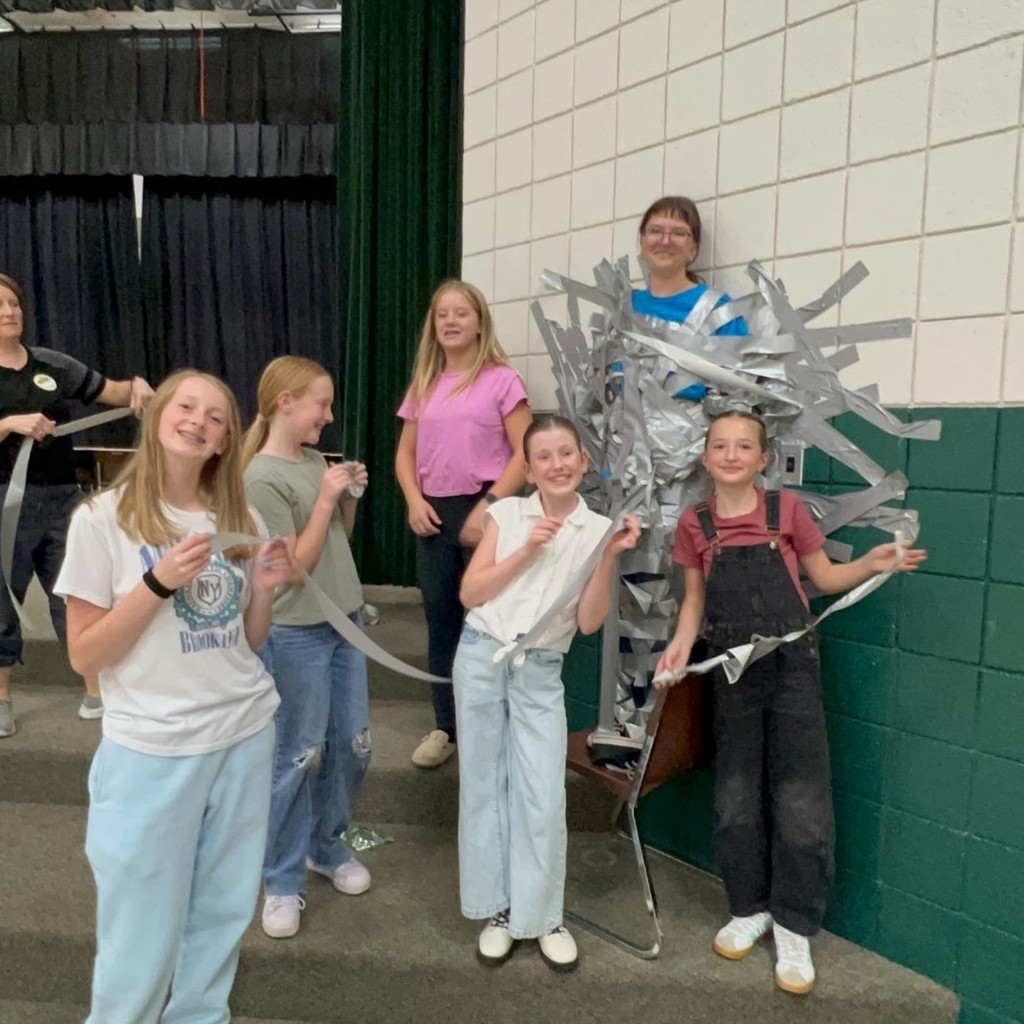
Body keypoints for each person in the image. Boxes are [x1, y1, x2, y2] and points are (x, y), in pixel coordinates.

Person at [654, 410, 925, 995]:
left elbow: (823, 579)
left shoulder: (786, 513)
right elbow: (693, 603)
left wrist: (872, 564)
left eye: (744, 446)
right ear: (705, 457)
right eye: (720, 446)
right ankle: (748, 908)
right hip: (730, 670)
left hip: (792, 665)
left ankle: (794, 924)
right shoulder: (693, 524)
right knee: (735, 795)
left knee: (801, 794)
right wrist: (678, 648)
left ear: (763, 459)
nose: (731, 454)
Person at [52, 370, 292, 1024]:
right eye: (187, 406)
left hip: (243, 733)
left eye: (217, 417)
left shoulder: (242, 518)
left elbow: (246, 639)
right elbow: (85, 655)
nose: (200, 422)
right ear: (158, 415)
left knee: (222, 908)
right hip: (152, 750)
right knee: (138, 927)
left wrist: (265, 586)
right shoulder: (102, 520)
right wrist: (156, 583)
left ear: (225, 440)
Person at [454, 414, 641, 972]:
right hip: (483, 656)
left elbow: (586, 622)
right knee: (485, 784)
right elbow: (470, 592)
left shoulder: (598, 529)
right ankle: (500, 909)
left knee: (542, 790)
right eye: (544, 457)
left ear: (584, 462)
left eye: (567, 454)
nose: (557, 465)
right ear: (529, 469)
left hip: (539, 669)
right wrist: (525, 552)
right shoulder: (506, 514)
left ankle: (544, 914)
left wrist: (609, 558)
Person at [242, 355, 372, 939]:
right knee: (295, 754)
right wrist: (323, 499)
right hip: (296, 633)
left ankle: (326, 844)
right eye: (321, 402)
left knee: (354, 745)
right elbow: (293, 569)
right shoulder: (258, 477)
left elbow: (336, 540)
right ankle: (281, 877)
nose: (330, 413)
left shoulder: (317, 461)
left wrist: (346, 499)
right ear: (285, 403)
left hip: (344, 624)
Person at [0, 272, 155, 735]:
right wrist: (9, 423)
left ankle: (96, 692)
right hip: (4, 503)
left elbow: (111, 390)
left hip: (63, 500)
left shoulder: (53, 364)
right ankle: (2, 700)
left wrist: (140, 390)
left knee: (77, 592)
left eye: (14, 304)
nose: (9, 312)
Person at [396, 280, 532, 768]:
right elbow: (405, 454)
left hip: (487, 511)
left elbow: (525, 453)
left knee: (492, 622)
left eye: (461, 313)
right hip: (434, 514)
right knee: (442, 621)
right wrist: (413, 498)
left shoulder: (502, 381)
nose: (451, 322)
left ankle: (494, 722)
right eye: (442, 315)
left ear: (479, 322)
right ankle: (445, 727)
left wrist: (489, 505)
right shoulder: (425, 383)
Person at [631, 196, 748, 401]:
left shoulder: (719, 311)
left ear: (693, 248)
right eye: (655, 231)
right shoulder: (624, 308)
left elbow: (740, 393)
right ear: (642, 243)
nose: (665, 240)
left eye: (678, 233)